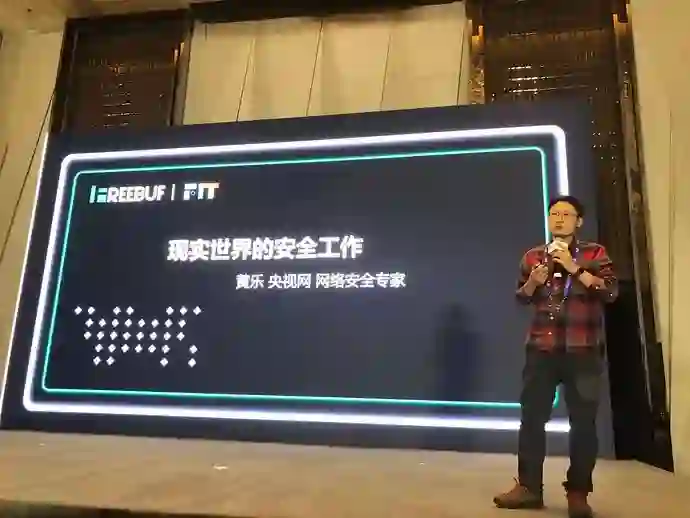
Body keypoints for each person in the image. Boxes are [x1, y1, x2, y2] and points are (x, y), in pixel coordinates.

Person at [493, 195, 618, 518]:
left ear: (579, 221)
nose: (559, 219)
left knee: (583, 424)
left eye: (566, 214)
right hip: (542, 351)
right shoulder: (534, 256)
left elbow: (610, 291)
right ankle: (529, 488)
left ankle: (578, 493)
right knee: (532, 420)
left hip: (582, 350)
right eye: (554, 214)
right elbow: (521, 297)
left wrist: (574, 269)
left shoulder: (594, 253)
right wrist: (533, 283)